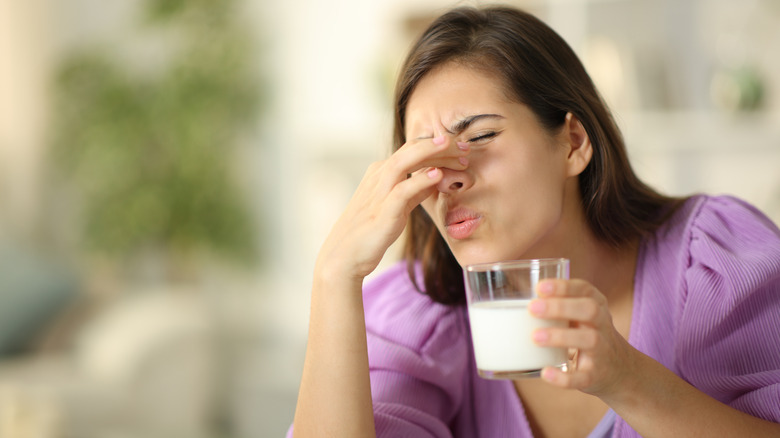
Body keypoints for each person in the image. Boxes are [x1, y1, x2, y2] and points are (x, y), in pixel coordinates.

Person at [288, 5, 780, 437]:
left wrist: (628, 379)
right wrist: (335, 275)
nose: (448, 180)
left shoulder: (715, 262)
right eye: (424, 158)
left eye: (479, 137)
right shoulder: (417, 313)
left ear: (572, 143)